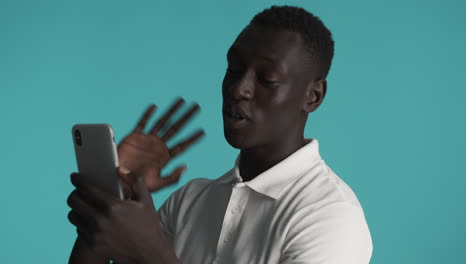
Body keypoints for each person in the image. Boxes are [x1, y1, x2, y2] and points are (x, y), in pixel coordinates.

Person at [67, 5, 373, 264]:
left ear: (313, 97)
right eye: (234, 69)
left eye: (267, 79)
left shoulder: (330, 217)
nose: (239, 88)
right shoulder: (190, 200)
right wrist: (109, 199)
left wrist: (153, 254)